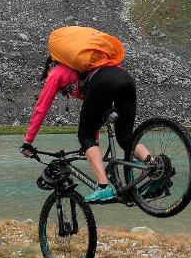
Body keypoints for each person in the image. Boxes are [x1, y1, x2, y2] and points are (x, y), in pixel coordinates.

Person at [21, 56, 150, 203]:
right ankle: (154, 167)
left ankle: (103, 187)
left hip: (103, 82)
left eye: (47, 71)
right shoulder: (83, 69)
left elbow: (41, 107)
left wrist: (28, 141)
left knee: (84, 136)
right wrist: (93, 142)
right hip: (125, 78)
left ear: (51, 64)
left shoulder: (57, 71)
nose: (48, 75)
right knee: (125, 137)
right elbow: (94, 111)